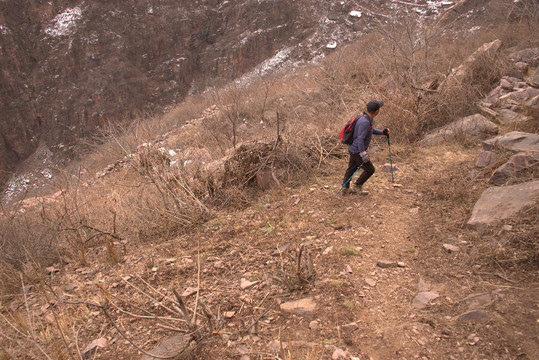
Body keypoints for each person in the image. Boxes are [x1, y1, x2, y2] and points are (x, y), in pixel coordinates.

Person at [342, 100, 389, 195]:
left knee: (351, 169)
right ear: (376, 111)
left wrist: (382, 132)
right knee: (370, 169)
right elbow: (360, 138)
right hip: (357, 151)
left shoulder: (365, 118)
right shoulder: (365, 121)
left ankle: (345, 189)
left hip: (353, 149)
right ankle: (357, 186)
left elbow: (370, 130)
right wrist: (363, 154)